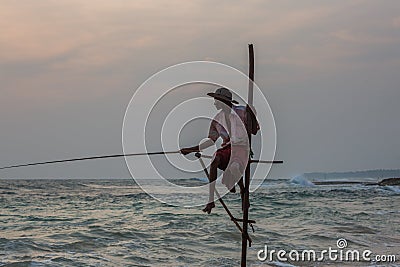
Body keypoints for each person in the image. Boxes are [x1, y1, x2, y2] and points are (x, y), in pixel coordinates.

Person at [180, 88, 259, 214]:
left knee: (234, 168)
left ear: (223, 101)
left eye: (216, 100)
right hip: (227, 149)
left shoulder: (243, 112)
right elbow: (211, 141)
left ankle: (243, 191)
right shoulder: (216, 120)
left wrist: (252, 115)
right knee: (215, 160)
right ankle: (211, 201)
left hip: (242, 148)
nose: (215, 103)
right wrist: (190, 150)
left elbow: (254, 130)